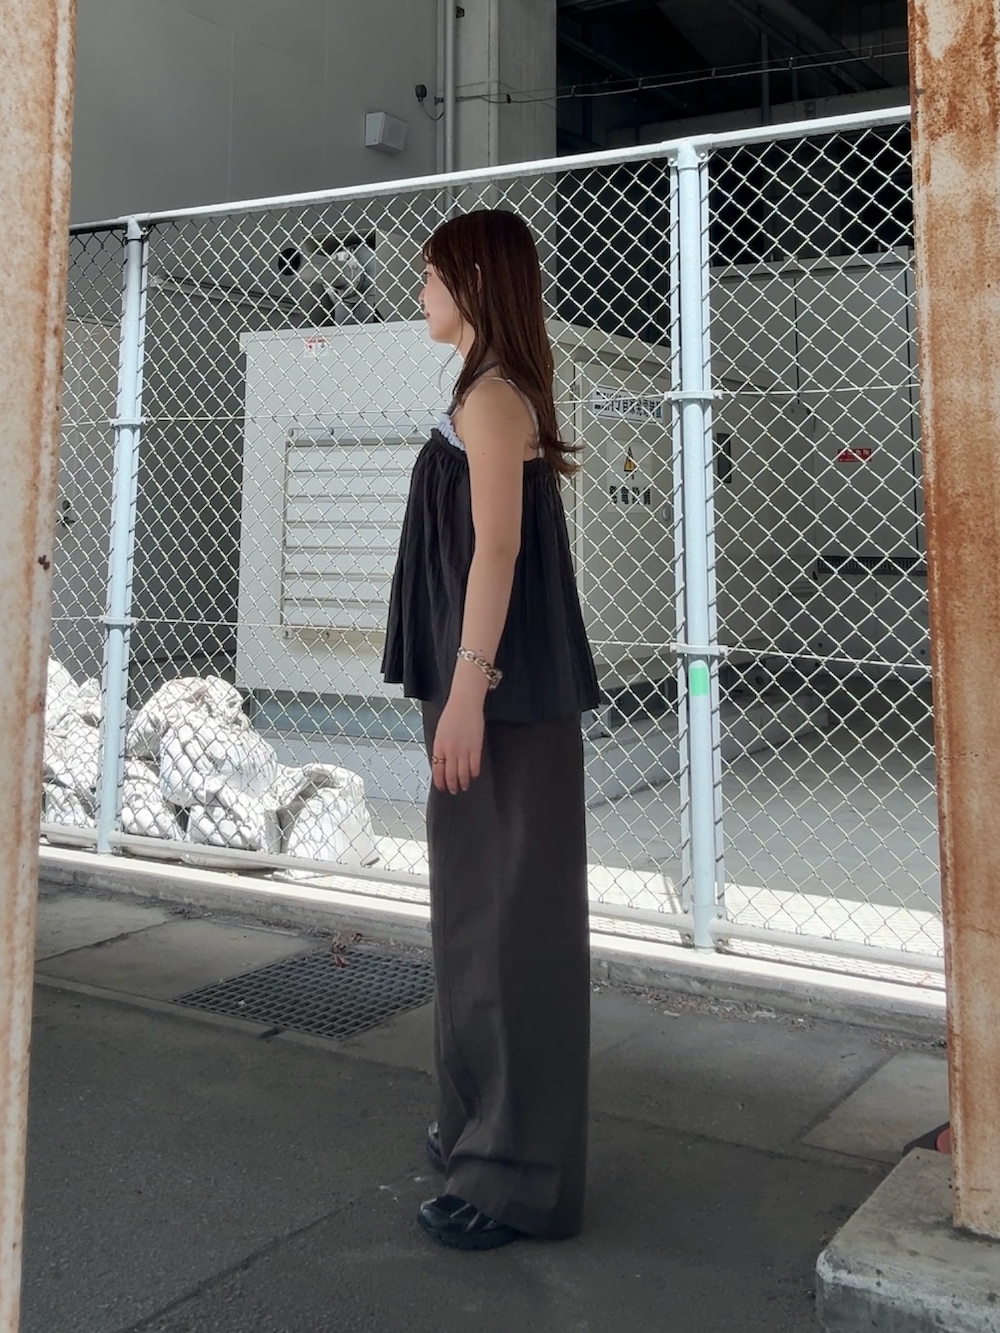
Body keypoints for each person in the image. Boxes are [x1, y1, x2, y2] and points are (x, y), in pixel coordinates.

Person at [382, 208, 601, 1250]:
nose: (419, 291)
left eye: (431, 275)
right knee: (473, 918)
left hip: (503, 703)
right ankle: (476, 1131)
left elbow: (499, 551)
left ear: (473, 283)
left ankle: (519, 1178)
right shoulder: (479, 391)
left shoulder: (493, 396)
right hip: (480, 695)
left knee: (514, 930)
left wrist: (468, 692)